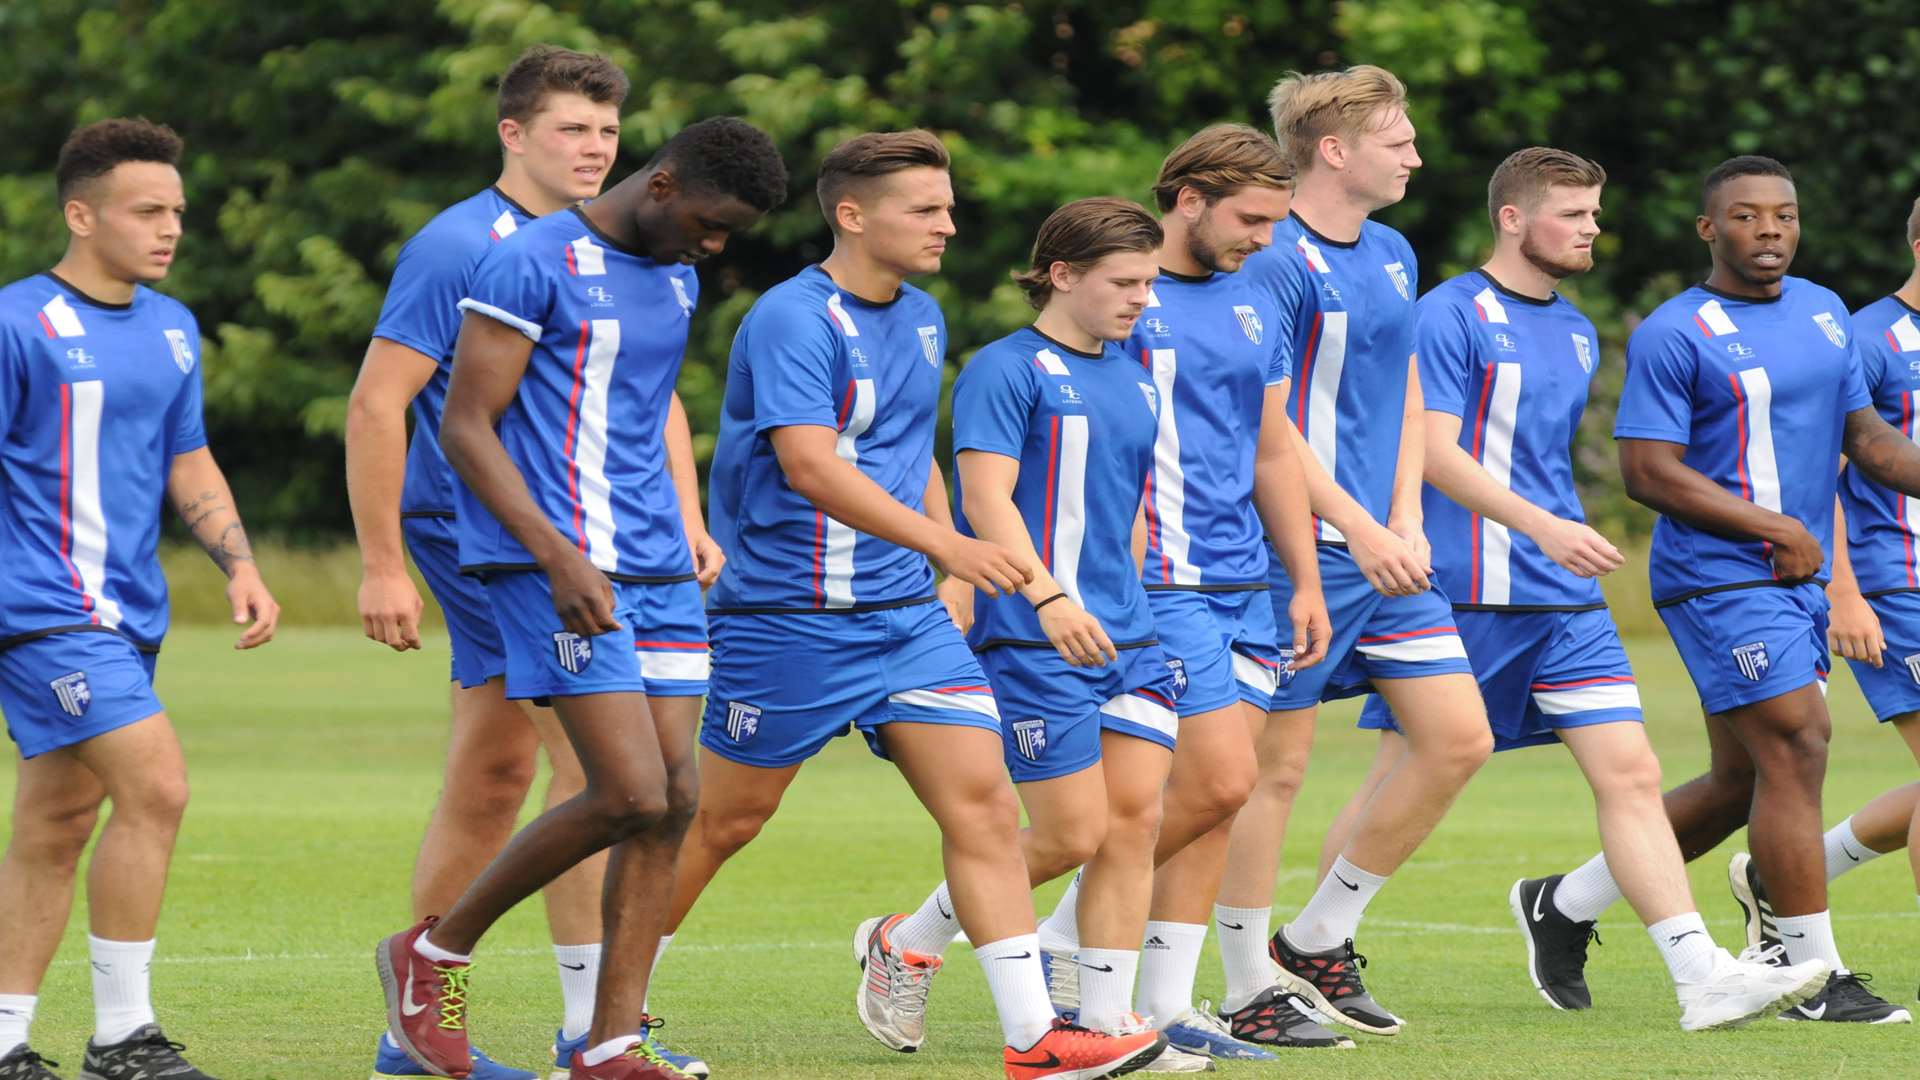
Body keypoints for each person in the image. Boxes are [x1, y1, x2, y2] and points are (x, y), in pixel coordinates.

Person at [674, 129, 1161, 1080]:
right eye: (925, 209)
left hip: (906, 617)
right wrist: (953, 545)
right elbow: (809, 465)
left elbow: (909, 456)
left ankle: (1033, 1040)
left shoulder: (926, 314)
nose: (949, 223)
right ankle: (610, 1002)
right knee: (722, 823)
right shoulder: (791, 318)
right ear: (853, 216)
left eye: (946, 205)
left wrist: (941, 571)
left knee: (983, 812)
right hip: (789, 616)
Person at [1339, 146, 1825, 1029]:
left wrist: (1554, 534)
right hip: (1469, 589)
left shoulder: (1572, 323)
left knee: (1633, 773)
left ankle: (1698, 976)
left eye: (1596, 215)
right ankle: (1305, 947)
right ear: (1514, 219)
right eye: (1574, 215)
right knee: (1401, 777)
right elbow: (1434, 448)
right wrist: (1542, 526)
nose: (1592, 230)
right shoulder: (1449, 314)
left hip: (1563, 599)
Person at [373, 117, 788, 1080]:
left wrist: (685, 521)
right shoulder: (530, 261)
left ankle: (608, 1045)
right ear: (662, 184)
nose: (714, 246)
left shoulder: (677, 275)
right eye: (710, 222)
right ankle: (429, 953)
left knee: (675, 800)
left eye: (729, 235)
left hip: (657, 572)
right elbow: (466, 425)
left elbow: (640, 414)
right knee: (627, 789)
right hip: (552, 572)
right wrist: (556, 555)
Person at [1528, 155, 1920, 1026]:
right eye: (1747, 217)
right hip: (1718, 579)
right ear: (1711, 229)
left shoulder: (1825, 314)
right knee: (1799, 744)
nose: (1770, 230)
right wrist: (1775, 528)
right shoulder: (1678, 330)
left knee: (1740, 782)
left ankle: (1568, 902)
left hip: (1799, 583)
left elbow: (1875, 444)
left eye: (1783, 215)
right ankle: (1813, 977)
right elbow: (1645, 470)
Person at [1021, 124, 1341, 1059]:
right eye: (1250, 218)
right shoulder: (1121, 293)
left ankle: (1159, 1004)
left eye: (1278, 222)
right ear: (1189, 200)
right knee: (1217, 781)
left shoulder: (1259, 297)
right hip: (1157, 580)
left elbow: (1272, 442)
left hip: (1245, 577)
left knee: (1214, 799)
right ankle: (956, 933)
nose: (1265, 240)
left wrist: (1306, 576)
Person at [870, 197, 1206, 1073]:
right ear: (1061, 275)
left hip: (1128, 636)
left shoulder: (1137, 372)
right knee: (1069, 833)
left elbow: (1125, 507)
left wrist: (1131, 604)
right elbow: (984, 500)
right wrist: (1050, 598)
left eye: (1149, 282)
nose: (1143, 298)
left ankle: (1108, 1021)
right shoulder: (1005, 368)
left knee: (1135, 825)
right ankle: (907, 940)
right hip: (1032, 634)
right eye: (1124, 282)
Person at [0, 117, 281, 1080]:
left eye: (177, 212)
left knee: (54, 825)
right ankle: (124, 1036)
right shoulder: (16, 322)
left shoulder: (172, 326)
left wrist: (237, 563)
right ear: (81, 215)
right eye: (146, 210)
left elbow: (184, 453)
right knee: (158, 785)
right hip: (41, 611)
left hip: (130, 613)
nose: (169, 228)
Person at [1215, 64, 1488, 1038]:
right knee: (1262, 772)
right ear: (1333, 149)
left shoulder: (1392, 250)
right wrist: (1356, 528)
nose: (1416, 153)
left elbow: (1407, 388)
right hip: (1303, 551)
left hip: (1386, 549)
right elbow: (1269, 421)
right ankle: (1245, 986)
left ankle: (1318, 936)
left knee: (1459, 738)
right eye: (1397, 139)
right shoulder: (1273, 256)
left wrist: (1404, 515)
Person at [1724, 192, 1920, 1013]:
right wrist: (1843, 589)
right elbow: (1823, 473)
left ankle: (1785, 870)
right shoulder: (1867, 336)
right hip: (1897, 581)